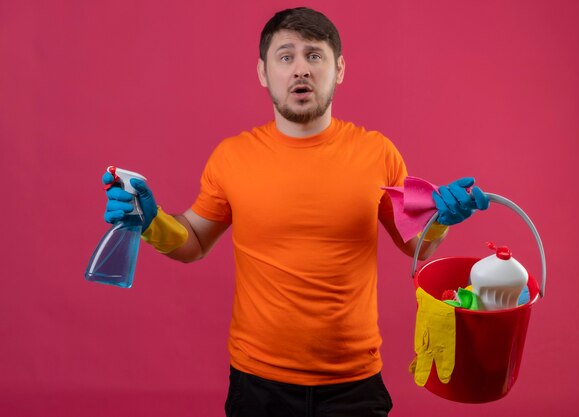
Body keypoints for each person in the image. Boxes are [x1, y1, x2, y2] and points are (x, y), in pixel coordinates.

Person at [102, 7, 488, 417]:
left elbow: (415, 244)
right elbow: (194, 241)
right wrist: (152, 222)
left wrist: (441, 221)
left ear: (338, 69)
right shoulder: (231, 157)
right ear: (264, 73)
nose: (300, 69)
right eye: (286, 57)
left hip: (354, 384)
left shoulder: (378, 153)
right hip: (258, 385)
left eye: (314, 56)